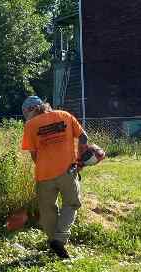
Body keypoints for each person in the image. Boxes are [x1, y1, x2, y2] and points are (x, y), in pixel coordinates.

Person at [21, 96, 89, 259]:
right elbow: (83, 137)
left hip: (44, 175)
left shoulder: (30, 125)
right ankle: (59, 240)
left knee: (47, 211)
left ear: (32, 109)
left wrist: (44, 166)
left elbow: (34, 154)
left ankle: (55, 243)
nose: (25, 116)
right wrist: (80, 158)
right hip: (68, 171)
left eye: (25, 112)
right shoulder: (64, 115)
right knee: (71, 204)